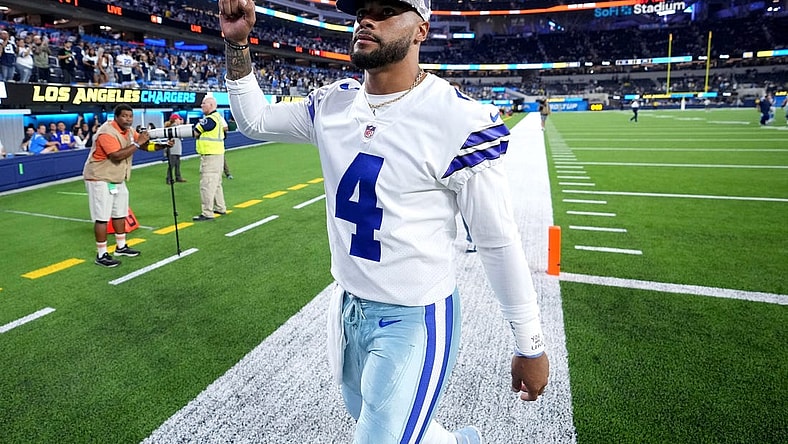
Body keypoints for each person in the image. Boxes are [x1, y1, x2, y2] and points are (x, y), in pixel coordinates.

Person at [219, 0, 550, 442]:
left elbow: (497, 241)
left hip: (413, 317)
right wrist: (237, 43)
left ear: (421, 30)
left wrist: (529, 342)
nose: (367, 20)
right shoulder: (333, 104)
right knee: (370, 419)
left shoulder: (458, 119)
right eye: (362, 11)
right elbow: (255, 120)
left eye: (387, 10)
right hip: (348, 307)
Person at [82, 103, 163, 267]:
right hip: (99, 178)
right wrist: (138, 143)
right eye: (124, 116)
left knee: (120, 213)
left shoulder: (129, 131)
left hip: (116, 178)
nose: (128, 119)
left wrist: (160, 146)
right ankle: (101, 254)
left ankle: (121, 247)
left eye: (130, 116)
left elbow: (143, 145)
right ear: (116, 117)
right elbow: (116, 156)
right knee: (102, 218)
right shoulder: (106, 132)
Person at [191, 95, 228, 221]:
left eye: (204, 104)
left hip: (210, 156)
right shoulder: (218, 117)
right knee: (216, 184)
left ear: (211, 105)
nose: (201, 106)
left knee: (207, 185)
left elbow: (195, 132)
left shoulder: (209, 119)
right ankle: (220, 207)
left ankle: (207, 212)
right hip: (218, 154)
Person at [165, 113, 187, 184]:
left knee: (176, 164)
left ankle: (177, 177)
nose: (179, 120)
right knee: (172, 165)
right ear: (175, 120)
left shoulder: (175, 127)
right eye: (178, 119)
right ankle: (169, 178)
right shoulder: (174, 128)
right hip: (173, 149)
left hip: (175, 149)